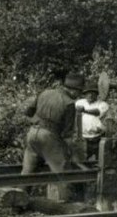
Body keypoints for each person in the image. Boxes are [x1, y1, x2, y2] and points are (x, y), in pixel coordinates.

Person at [22, 72, 85, 201]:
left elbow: (28, 112)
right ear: (74, 90)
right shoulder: (69, 103)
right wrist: (75, 157)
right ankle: (66, 206)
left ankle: (17, 202)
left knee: (27, 172)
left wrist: (37, 122)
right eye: (79, 92)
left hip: (32, 132)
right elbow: (67, 136)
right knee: (62, 173)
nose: (78, 95)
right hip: (49, 137)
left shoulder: (44, 92)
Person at [75, 84, 109, 162]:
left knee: (100, 160)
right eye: (88, 93)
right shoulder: (79, 103)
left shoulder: (103, 104)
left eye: (93, 93)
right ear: (85, 94)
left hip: (98, 137)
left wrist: (84, 110)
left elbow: (97, 112)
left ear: (97, 94)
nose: (90, 95)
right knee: (82, 161)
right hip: (83, 138)